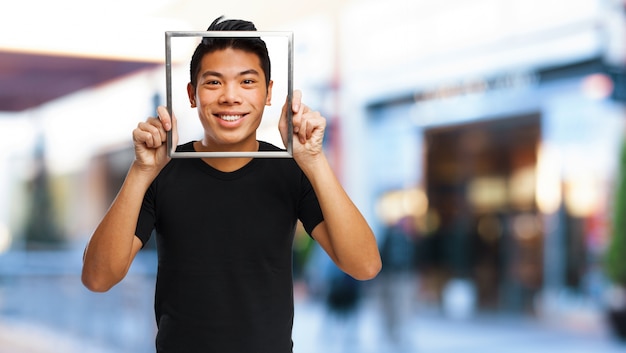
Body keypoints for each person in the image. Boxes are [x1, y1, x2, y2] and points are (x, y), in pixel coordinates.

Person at [81, 16, 381, 353]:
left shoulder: (291, 170)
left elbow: (365, 266)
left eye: (247, 82)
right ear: (192, 94)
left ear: (269, 93)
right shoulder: (161, 170)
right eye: (214, 83)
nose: (230, 97)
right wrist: (140, 172)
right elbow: (97, 278)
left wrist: (314, 161)